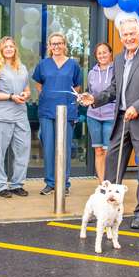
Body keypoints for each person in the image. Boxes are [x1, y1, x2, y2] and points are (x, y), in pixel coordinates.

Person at [80, 18, 139, 229]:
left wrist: (137, 107)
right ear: (120, 38)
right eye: (125, 35)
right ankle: (107, 209)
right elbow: (113, 89)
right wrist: (94, 99)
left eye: (132, 33)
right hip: (121, 119)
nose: (128, 38)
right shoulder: (118, 59)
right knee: (112, 162)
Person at [33, 32, 83, 196]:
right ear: (49, 46)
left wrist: (67, 99)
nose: (56, 46)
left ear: (64, 45)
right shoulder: (43, 64)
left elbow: (77, 87)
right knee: (48, 148)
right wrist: (48, 96)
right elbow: (39, 84)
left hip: (67, 111)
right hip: (47, 110)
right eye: (53, 44)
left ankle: (64, 183)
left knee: (65, 149)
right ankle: (50, 183)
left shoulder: (73, 65)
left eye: (59, 43)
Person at [0, 37, 32, 197]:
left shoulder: (22, 67)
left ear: (15, 49)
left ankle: (17, 184)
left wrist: (25, 94)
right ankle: (1, 185)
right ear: (1, 50)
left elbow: (27, 89)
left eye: (12, 46)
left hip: (20, 115)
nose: (9, 49)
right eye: (6, 47)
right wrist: (11, 96)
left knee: (23, 150)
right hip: (1, 116)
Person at [86, 42, 116, 183]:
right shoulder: (91, 73)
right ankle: (102, 185)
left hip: (111, 115)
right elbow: (90, 93)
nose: (102, 55)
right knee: (98, 151)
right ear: (96, 56)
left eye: (105, 52)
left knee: (109, 152)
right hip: (93, 116)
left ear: (110, 53)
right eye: (99, 53)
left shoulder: (117, 71)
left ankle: (110, 183)